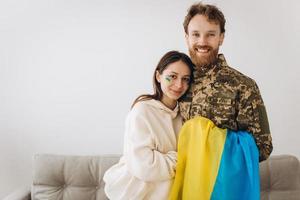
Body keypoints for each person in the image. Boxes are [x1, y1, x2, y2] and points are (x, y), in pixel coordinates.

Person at [179, 2, 273, 162]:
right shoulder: (176, 83)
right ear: (187, 37)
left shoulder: (243, 86)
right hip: (180, 181)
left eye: (210, 34)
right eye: (195, 34)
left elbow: (263, 147)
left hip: (222, 183)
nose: (202, 41)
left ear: (221, 37)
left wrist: (215, 143)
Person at [103, 51, 194, 200]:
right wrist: (182, 158)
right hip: (135, 194)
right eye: (172, 76)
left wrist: (166, 159)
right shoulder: (142, 111)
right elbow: (145, 166)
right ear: (158, 76)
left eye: (185, 79)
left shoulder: (185, 114)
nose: (179, 85)